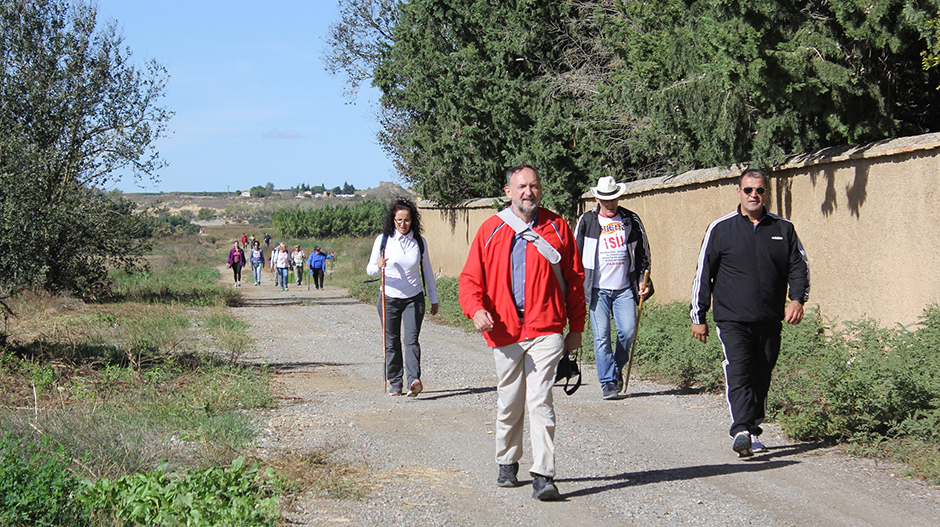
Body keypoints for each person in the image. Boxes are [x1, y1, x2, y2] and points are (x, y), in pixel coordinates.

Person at [458, 164, 585, 501]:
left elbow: (574, 281)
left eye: (534, 186)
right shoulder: (490, 230)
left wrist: (577, 329)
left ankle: (544, 474)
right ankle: (507, 461)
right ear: (508, 192)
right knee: (509, 401)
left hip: (546, 327)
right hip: (505, 330)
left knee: (540, 399)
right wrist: (476, 309)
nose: (528, 192)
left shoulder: (557, 227)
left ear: (540, 190)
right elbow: (470, 280)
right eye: (521, 186)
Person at [690, 168, 810, 458]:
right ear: (739, 192)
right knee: (739, 369)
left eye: (759, 190)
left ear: (766, 193)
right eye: (748, 190)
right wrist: (699, 315)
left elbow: (799, 266)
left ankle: (753, 429)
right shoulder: (721, 228)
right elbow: (703, 273)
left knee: (762, 372)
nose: (754, 195)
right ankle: (741, 430)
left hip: (769, 318)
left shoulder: (783, 228)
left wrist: (796, 300)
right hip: (732, 318)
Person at [574, 176, 652, 400]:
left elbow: (643, 253)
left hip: (624, 288)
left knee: (628, 332)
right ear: (597, 198)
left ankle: (615, 367)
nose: (610, 204)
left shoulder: (630, 219)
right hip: (596, 289)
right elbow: (575, 254)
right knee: (601, 337)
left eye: (614, 199)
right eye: (605, 199)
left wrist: (644, 280)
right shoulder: (587, 221)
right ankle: (608, 382)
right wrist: (576, 285)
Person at [367, 198, 439, 398]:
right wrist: (379, 265)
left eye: (406, 220)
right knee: (391, 341)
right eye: (399, 220)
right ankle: (396, 382)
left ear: (412, 220)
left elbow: (427, 271)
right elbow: (370, 269)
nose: (402, 224)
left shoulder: (419, 242)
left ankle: (414, 380)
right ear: (393, 220)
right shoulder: (383, 240)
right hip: (388, 298)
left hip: (413, 299)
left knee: (411, 340)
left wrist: (433, 297)